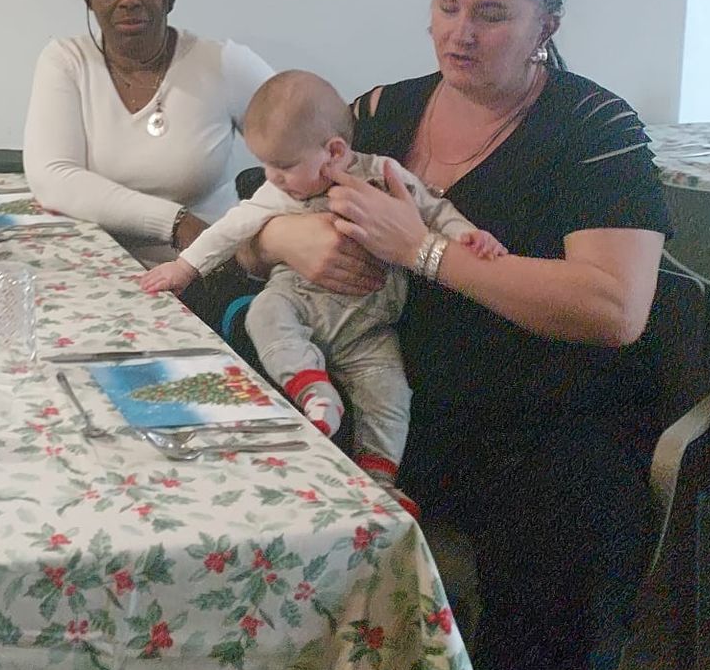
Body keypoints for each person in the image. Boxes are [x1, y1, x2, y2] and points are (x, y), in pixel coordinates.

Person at [243, 0, 670, 670]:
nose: (460, 33)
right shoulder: (379, 112)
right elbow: (259, 213)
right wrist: (283, 239)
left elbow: (615, 307)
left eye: (491, 14)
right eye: (447, 6)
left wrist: (426, 253)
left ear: (546, 27)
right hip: (382, 402)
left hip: (536, 433)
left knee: (547, 588)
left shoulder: (592, 128)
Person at [141, 70, 504, 507]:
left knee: (390, 393)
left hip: (368, 325)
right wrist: (184, 268)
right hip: (299, 301)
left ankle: (380, 479)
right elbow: (231, 229)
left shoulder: (384, 177)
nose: (272, 178)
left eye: (283, 167)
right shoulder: (281, 195)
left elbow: (435, 211)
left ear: (334, 152)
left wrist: (468, 235)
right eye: (266, 165)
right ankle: (313, 389)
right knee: (264, 313)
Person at [23, 0, 274, 301]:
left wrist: (274, 231)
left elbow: (309, 144)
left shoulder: (222, 64)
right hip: (92, 279)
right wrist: (175, 222)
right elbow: (53, 178)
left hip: (206, 278)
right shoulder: (66, 61)